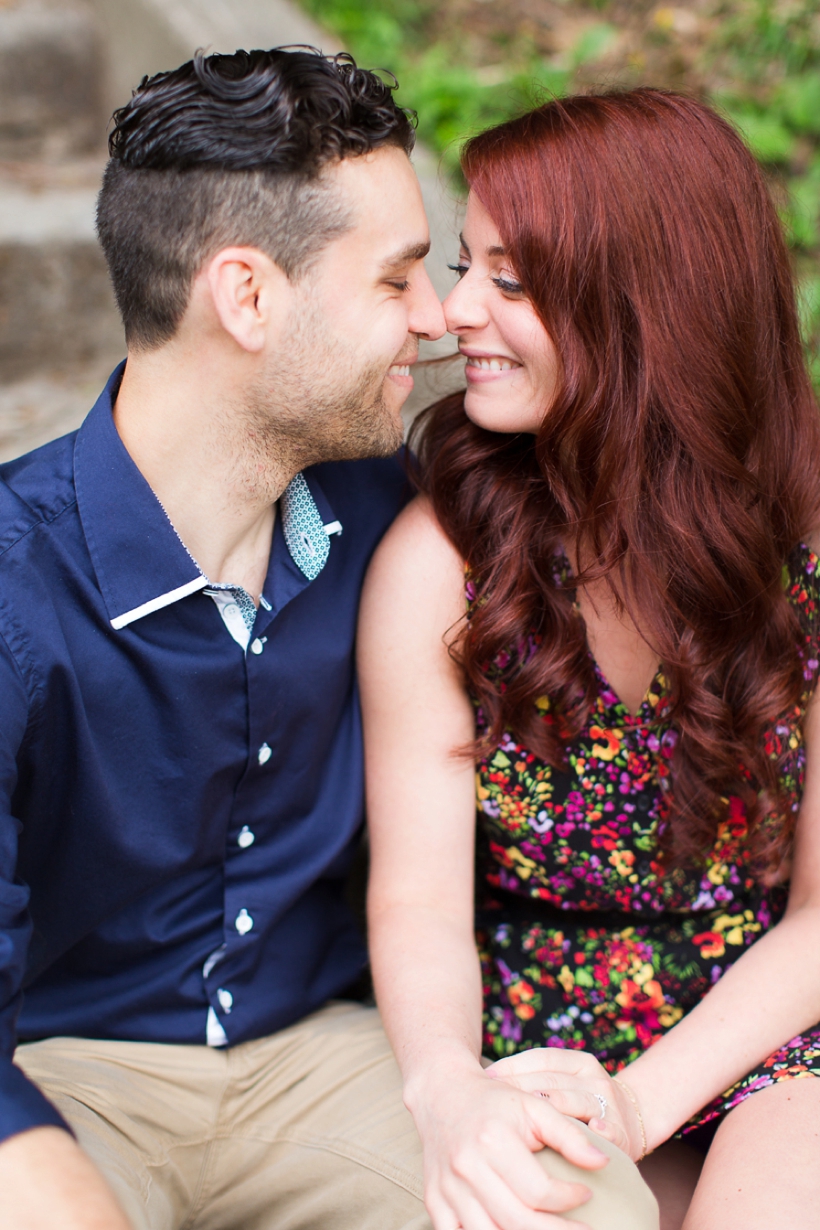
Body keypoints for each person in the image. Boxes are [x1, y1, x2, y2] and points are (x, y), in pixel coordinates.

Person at [0, 46, 652, 1230]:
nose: (439, 320)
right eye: (397, 279)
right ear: (247, 297)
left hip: (320, 1059)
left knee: (579, 1206)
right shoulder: (13, 588)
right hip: (65, 1070)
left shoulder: (391, 524)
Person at [359, 86, 820, 1230]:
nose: (453, 312)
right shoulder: (440, 563)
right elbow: (416, 901)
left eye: (508, 283)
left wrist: (645, 1101)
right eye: (469, 266)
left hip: (769, 1015)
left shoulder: (801, 555)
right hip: (532, 1029)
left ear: (645, 307)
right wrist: (448, 1092)